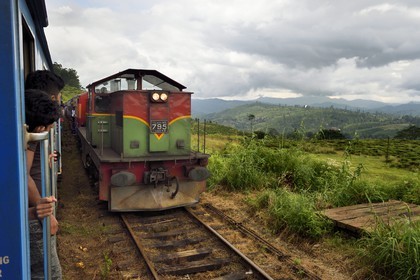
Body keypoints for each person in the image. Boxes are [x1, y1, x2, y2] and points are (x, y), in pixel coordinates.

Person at [25, 70, 64, 280]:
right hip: (36, 212)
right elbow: (24, 174)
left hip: (38, 208)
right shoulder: (31, 134)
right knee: (49, 274)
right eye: (57, 97)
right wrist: (45, 214)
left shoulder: (33, 129)